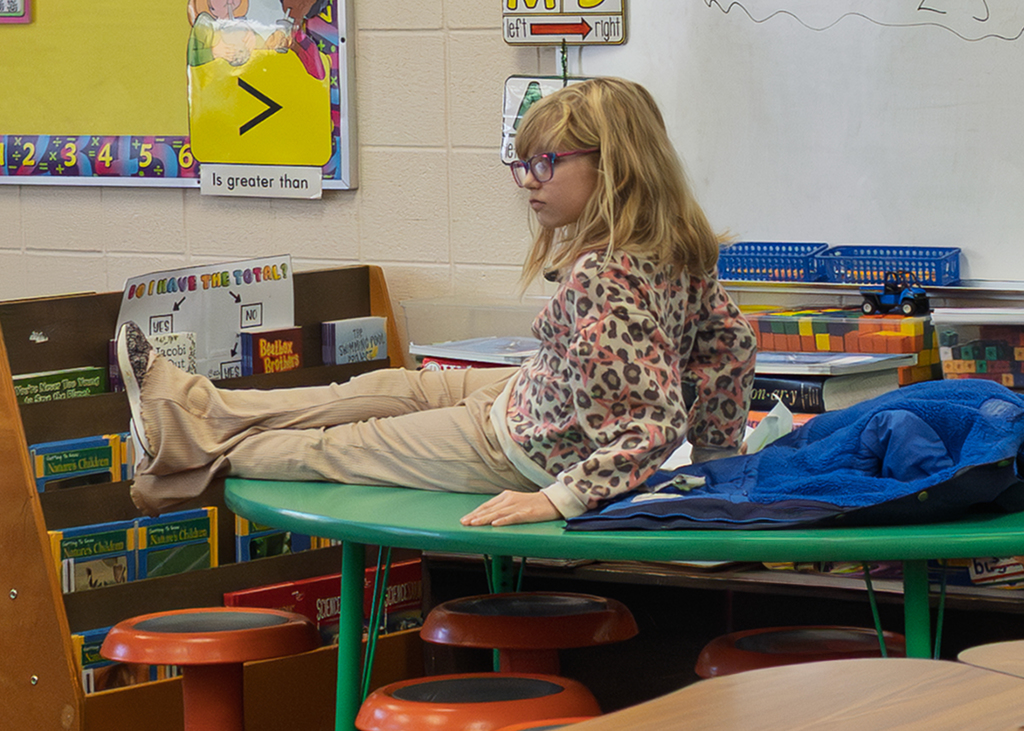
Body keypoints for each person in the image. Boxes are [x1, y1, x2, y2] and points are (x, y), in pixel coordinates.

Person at [118, 77, 756, 527]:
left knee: (344, 445)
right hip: (531, 400)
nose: (526, 182)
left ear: (613, 166)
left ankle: (184, 453)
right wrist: (718, 455)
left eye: (546, 163)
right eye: (522, 163)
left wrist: (564, 497)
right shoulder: (679, 249)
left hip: (525, 449)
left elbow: (652, 419)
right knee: (389, 389)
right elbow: (730, 347)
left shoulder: (605, 277)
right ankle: (189, 406)